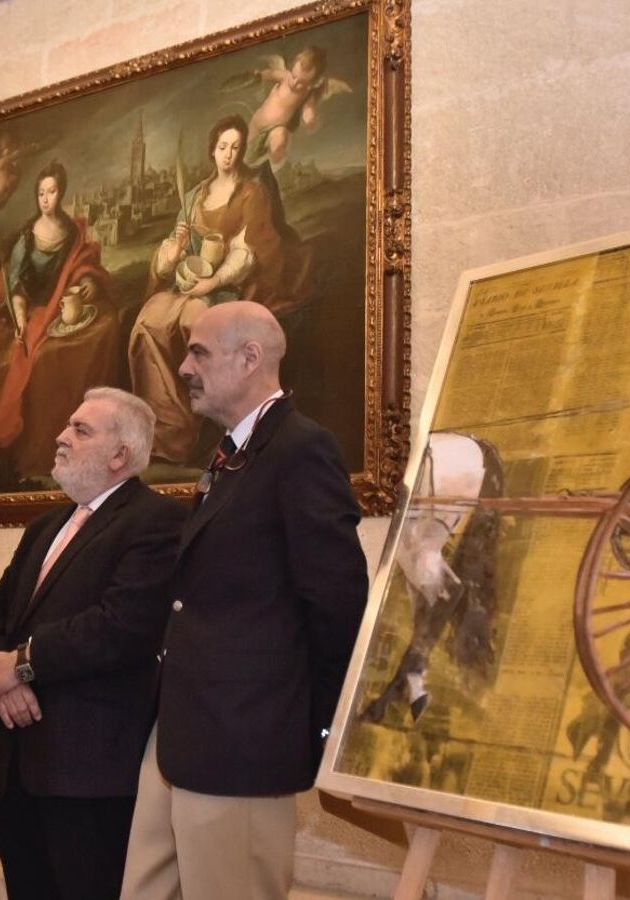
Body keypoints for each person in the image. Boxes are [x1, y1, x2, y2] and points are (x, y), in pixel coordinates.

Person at [120, 303, 367, 900]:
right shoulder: (228, 455)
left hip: (245, 740)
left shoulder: (301, 448)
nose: (182, 368)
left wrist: (318, 729)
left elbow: (337, 600)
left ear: (250, 358)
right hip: (182, 733)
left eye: (198, 352)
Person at [0, 387, 186, 900]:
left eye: (80, 430)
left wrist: (21, 666)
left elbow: (120, 627)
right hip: (19, 768)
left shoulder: (158, 521)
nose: (61, 438)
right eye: (68, 426)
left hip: (90, 775)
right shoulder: (46, 525)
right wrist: (1, 686)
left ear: (120, 455)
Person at [127, 116, 308, 465]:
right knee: (146, 323)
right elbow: (169, 254)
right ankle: (165, 427)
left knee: (197, 325)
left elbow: (247, 251)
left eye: (236, 147)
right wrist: (175, 250)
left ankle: (197, 426)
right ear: (213, 150)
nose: (228, 154)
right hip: (191, 284)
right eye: (223, 146)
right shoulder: (194, 196)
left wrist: (213, 282)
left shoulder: (250, 193)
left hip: (227, 287)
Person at [0, 160, 118, 486]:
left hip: (61, 306)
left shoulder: (72, 231)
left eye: (52, 192)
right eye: (41, 193)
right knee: (36, 356)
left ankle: (83, 437)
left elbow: (83, 266)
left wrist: (87, 283)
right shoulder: (28, 236)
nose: (46, 199)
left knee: (96, 335)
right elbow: (17, 285)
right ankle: (41, 445)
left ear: (61, 193)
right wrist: (21, 320)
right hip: (32, 310)